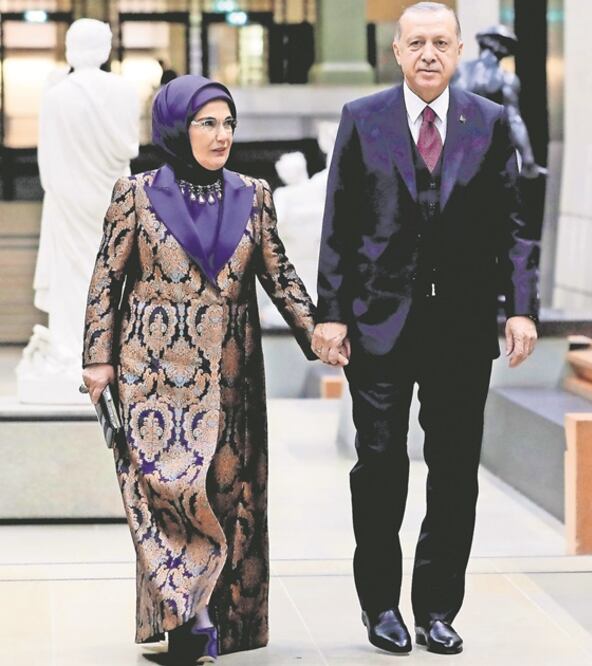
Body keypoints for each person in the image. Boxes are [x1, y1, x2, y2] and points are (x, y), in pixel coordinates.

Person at [311, 1, 539, 655]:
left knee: (454, 471)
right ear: (397, 51)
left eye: (441, 42)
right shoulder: (362, 120)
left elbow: (515, 225)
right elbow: (338, 224)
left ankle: (437, 609)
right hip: (378, 325)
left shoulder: (489, 122)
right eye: (417, 43)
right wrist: (330, 313)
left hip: (462, 329)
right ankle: (380, 606)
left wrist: (519, 307)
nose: (429, 54)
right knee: (379, 466)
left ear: (460, 48)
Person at [81, 75, 319, 664]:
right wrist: (97, 356)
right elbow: (106, 280)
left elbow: (280, 274)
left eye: (228, 123)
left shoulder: (253, 193)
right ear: (175, 127)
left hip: (232, 369)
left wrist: (319, 335)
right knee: (168, 494)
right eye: (207, 122)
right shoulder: (134, 194)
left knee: (223, 492)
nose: (222, 135)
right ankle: (189, 622)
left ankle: (214, 620)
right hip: (153, 374)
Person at [25, 18, 138, 402]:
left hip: (68, 196)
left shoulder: (57, 95)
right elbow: (130, 149)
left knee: (73, 270)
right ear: (105, 49)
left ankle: (71, 346)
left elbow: (47, 162)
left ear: (71, 49)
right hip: (111, 194)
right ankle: (104, 349)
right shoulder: (124, 90)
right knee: (109, 270)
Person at [453, 24, 544, 178]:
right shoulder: (505, 79)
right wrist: (528, 159)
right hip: (488, 159)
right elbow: (514, 120)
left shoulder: (458, 72)